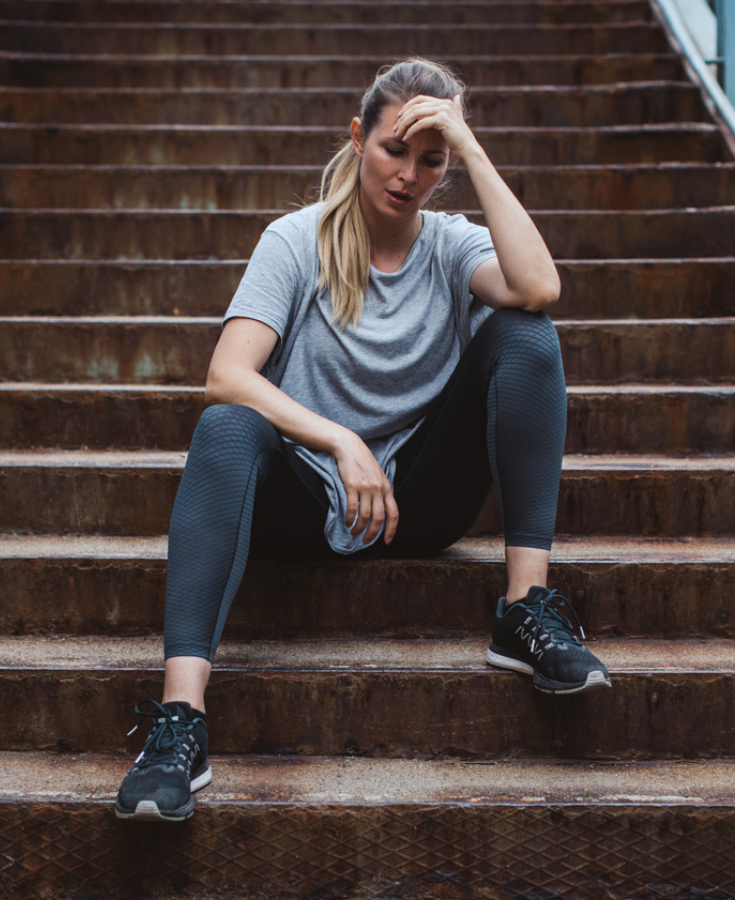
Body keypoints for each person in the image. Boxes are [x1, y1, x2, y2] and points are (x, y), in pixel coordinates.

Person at [114, 58, 610, 822]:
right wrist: (341, 441)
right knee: (227, 425)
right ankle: (181, 722)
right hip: (305, 496)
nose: (409, 174)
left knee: (527, 333)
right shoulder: (295, 240)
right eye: (393, 149)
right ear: (356, 139)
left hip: (418, 500)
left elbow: (539, 288)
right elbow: (227, 374)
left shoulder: (450, 244)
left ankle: (523, 607)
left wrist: (471, 150)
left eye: (430, 159)